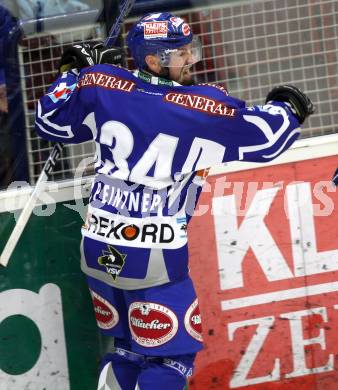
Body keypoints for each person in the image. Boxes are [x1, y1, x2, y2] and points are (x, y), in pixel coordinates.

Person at [35, 12, 314, 390]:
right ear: (153, 61)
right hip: (154, 256)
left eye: (188, 49)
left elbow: (51, 120)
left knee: (128, 350)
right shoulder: (199, 107)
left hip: (98, 246)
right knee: (171, 359)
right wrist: (288, 106)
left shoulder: (101, 85)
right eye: (179, 54)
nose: (190, 60)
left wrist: (75, 71)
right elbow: (268, 140)